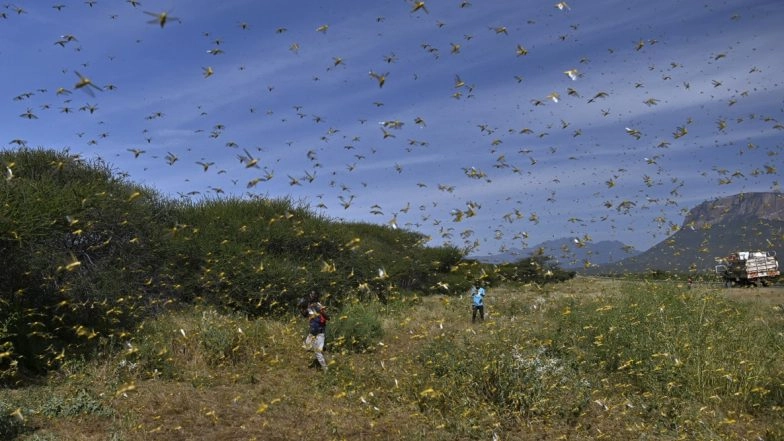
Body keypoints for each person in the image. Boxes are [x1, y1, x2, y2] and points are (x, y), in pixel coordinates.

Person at [302, 291, 329, 371]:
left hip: (319, 332)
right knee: (307, 346)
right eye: (310, 295)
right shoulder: (308, 306)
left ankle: (326, 369)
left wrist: (320, 311)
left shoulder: (318, 305)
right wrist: (301, 308)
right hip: (312, 332)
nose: (311, 296)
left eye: (313, 295)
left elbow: (328, 317)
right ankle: (322, 348)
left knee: (318, 352)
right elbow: (305, 315)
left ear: (316, 296)